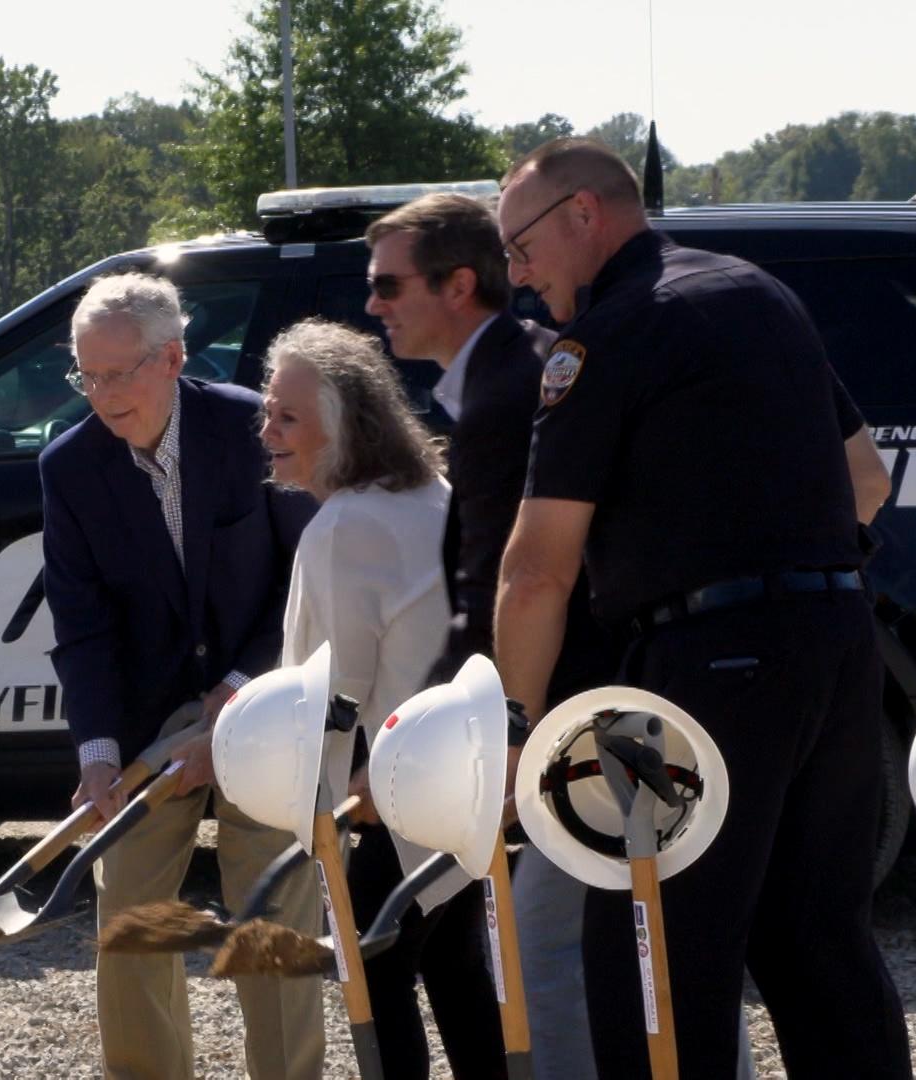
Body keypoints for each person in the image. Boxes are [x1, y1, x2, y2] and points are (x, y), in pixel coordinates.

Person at [491, 138, 906, 1079]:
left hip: (704, 663)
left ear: (583, 215)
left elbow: (537, 570)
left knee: (649, 956)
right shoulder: (758, 293)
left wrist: (513, 732)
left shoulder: (610, 335)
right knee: (819, 947)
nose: (518, 279)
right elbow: (867, 479)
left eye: (520, 249)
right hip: (841, 647)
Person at [359, 191, 621, 1080]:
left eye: (389, 286)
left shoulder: (515, 392)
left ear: (459, 284)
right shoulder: (507, 376)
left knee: (553, 964)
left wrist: (412, 743)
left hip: (569, 711)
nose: (374, 305)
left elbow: (497, 591)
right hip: (572, 703)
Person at [40, 271, 324, 1080]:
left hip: (263, 698)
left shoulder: (252, 429)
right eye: (85, 376)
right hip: (145, 720)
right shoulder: (69, 468)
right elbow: (83, 625)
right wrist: (97, 756)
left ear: (172, 358)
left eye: (117, 373)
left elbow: (304, 578)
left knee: (270, 915)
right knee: (129, 915)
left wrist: (237, 691)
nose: (100, 394)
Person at [257, 317, 500, 1078]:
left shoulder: (346, 523)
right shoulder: (432, 492)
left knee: (374, 969)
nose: (267, 429)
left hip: (407, 789)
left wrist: (314, 811)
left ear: (344, 428)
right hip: (467, 778)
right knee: (456, 968)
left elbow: (333, 692)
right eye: (268, 409)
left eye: (288, 417)